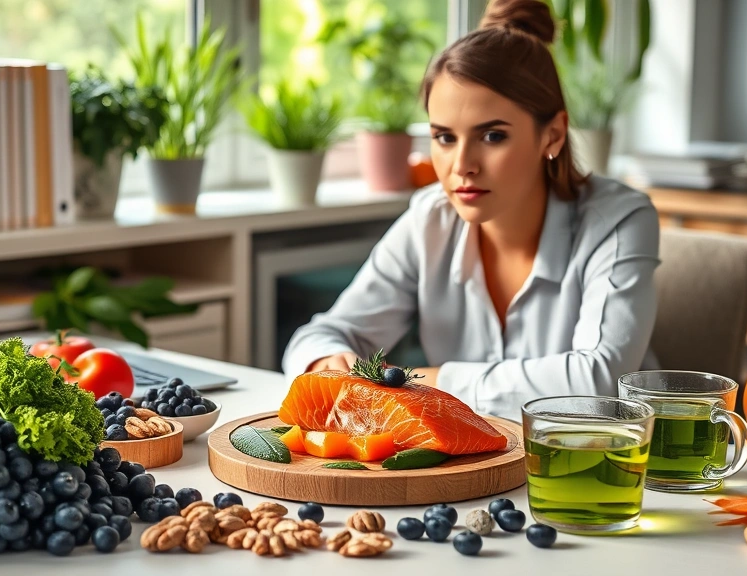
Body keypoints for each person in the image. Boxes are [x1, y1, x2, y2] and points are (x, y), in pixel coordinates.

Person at [281, 0, 660, 421]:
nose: (462, 165)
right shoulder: (429, 219)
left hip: (606, 466)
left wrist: (412, 383)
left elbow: (599, 384)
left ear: (552, 135)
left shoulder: (622, 221)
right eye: (444, 137)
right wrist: (327, 364)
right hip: (474, 471)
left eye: (493, 135)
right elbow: (321, 334)